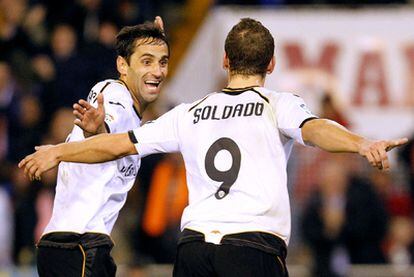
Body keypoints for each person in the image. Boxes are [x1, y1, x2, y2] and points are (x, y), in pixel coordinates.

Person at [19, 18, 407, 276]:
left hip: (194, 251)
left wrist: (57, 151)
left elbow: (117, 144)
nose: (158, 69)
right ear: (271, 64)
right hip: (252, 247)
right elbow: (316, 128)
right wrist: (362, 144)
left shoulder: (190, 112)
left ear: (225, 60)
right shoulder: (277, 104)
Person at [21, 17, 169, 277]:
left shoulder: (134, 115)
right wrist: (95, 131)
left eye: (162, 61)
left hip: (79, 246)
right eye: (146, 61)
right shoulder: (113, 95)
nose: (157, 71)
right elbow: (107, 136)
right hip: (77, 246)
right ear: (122, 65)